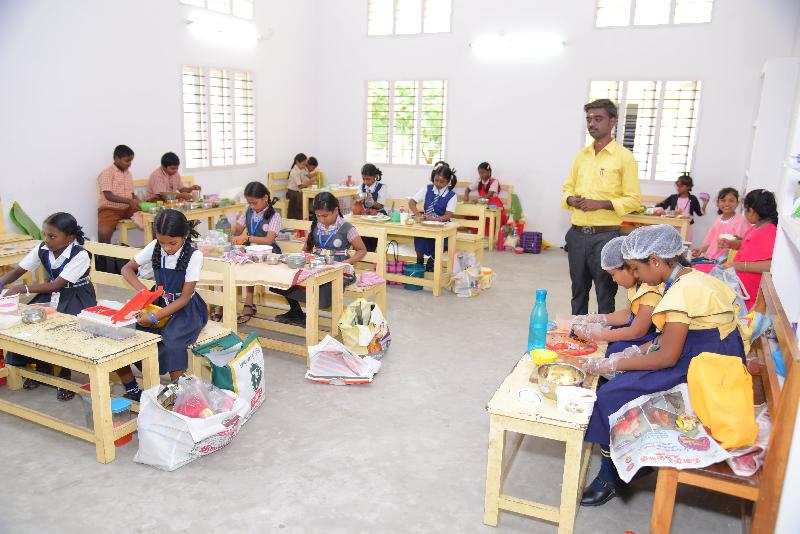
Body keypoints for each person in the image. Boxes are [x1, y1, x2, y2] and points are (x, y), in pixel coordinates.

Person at [579, 224, 745, 506]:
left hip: (704, 368)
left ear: (655, 261)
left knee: (611, 395)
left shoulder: (679, 293)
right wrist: (633, 353)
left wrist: (614, 363)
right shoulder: (692, 279)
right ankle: (625, 462)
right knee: (623, 376)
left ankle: (611, 477)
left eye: (637, 269)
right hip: (711, 355)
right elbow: (666, 338)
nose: (636, 276)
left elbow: (667, 357)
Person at [0, 213, 96, 401]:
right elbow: (19, 270)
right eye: (45, 234)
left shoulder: (80, 255)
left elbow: (56, 285)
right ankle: (44, 368)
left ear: (70, 238)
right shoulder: (43, 248)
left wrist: (22, 289)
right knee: (30, 322)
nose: (47, 240)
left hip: (77, 296)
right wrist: (2, 282)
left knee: (63, 329)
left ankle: (64, 376)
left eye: (52, 236)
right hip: (52, 295)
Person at [116, 209, 208, 399]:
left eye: (172, 243)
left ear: (186, 235)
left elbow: (184, 298)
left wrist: (154, 316)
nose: (167, 248)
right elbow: (127, 269)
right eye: (162, 242)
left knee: (173, 341)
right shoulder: (155, 247)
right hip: (159, 303)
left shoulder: (194, 255)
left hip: (186, 309)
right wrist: (145, 294)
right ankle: (133, 388)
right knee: (127, 332)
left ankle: (178, 393)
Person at [562, 99, 641, 316]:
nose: (592, 124)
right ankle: (578, 336)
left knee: (605, 293)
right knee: (578, 290)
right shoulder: (582, 156)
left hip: (605, 238)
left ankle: (606, 342)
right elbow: (567, 188)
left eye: (598, 119)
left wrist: (601, 204)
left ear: (612, 121)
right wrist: (571, 200)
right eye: (589, 119)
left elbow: (633, 200)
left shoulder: (624, 158)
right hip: (577, 236)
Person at [271, 193, 367, 325]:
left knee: (322, 297)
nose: (321, 220)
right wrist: (298, 259)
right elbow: (306, 250)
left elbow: (362, 250)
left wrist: (346, 263)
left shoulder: (347, 228)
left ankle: (307, 316)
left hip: (338, 270)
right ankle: (297, 312)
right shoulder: (316, 227)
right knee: (284, 280)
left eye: (325, 216)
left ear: (335, 210)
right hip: (316, 266)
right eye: (318, 216)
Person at [572, 236, 662, 356]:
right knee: (611, 335)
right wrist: (597, 319)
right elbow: (631, 314)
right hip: (641, 327)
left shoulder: (650, 289)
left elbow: (637, 331)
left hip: (653, 335)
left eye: (613, 274)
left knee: (612, 350)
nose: (613, 280)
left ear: (629, 266)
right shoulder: (636, 286)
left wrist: (596, 335)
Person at [231, 181, 283, 324]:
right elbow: (238, 230)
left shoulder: (274, 216)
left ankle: (248, 304)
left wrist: (247, 237)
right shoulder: (248, 211)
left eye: (254, 203)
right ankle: (228, 304)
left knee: (249, 265)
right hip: (250, 249)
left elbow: (269, 240)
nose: (252, 206)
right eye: (249, 203)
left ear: (265, 198)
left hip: (269, 252)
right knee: (232, 263)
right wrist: (234, 228)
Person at [718, 189, 778, 310]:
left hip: (748, 292)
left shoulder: (769, 231)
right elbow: (747, 244)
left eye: (745, 209)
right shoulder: (757, 227)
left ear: (751, 210)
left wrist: (738, 265)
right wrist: (731, 243)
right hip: (740, 284)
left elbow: (770, 265)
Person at [409, 161, 458, 271]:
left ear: (448, 181)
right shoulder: (427, 188)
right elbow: (412, 201)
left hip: (443, 225)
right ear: (433, 177)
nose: (438, 183)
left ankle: (433, 259)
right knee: (419, 235)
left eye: (442, 181)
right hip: (426, 223)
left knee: (442, 240)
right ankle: (420, 261)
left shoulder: (451, 195)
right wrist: (417, 214)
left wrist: (436, 219)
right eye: (436, 180)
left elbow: (448, 215)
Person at [97, 144, 142, 243]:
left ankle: (155, 249)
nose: (129, 164)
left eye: (131, 161)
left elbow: (131, 193)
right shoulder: (107, 173)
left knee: (150, 218)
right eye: (127, 161)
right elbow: (108, 196)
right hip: (110, 209)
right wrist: (129, 200)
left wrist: (137, 199)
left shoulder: (128, 173)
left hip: (127, 208)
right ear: (117, 158)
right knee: (104, 233)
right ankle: (103, 257)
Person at [691, 187, 749, 262]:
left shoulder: (741, 220)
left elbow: (744, 243)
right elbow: (712, 243)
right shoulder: (718, 220)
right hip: (710, 258)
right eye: (723, 200)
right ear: (718, 203)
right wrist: (701, 249)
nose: (727, 203)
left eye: (731, 201)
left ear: (737, 203)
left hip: (726, 262)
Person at [464, 161, 508, 229]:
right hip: (482, 203)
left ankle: (492, 233)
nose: (481, 175)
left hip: (493, 203)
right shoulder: (479, 181)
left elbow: (489, 196)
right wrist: (466, 195)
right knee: (470, 212)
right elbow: (467, 189)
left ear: (489, 172)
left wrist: (476, 200)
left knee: (493, 214)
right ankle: (475, 231)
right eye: (479, 173)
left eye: (482, 172)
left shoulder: (494, 181)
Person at [286, 153, 314, 219]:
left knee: (309, 196)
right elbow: (300, 186)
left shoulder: (303, 169)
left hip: (299, 191)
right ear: (297, 162)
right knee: (302, 198)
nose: (305, 166)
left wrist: (315, 174)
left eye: (305, 164)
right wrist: (308, 183)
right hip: (292, 192)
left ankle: (308, 215)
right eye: (303, 164)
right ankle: (300, 218)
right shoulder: (294, 172)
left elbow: (308, 175)